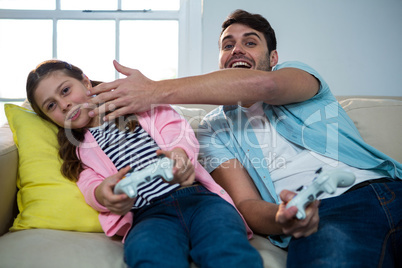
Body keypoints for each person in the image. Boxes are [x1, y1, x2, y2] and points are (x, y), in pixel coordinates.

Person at [85, 9, 402, 267]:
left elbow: (265, 87)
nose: (236, 49)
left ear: (273, 58)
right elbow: (247, 204)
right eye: (227, 45)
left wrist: (154, 91)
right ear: (220, 62)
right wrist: (281, 218)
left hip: (389, 189)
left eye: (250, 43)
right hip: (325, 214)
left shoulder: (301, 77)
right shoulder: (210, 130)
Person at [25, 59, 264, 268]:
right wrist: (103, 193)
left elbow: (175, 130)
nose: (64, 104)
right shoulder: (78, 151)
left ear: (86, 83)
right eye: (51, 106)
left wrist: (179, 155)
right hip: (149, 215)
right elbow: (89, 185)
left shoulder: (137, 106)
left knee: (227, 249)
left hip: (199, 199)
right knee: (149, 255)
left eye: (65, 90)